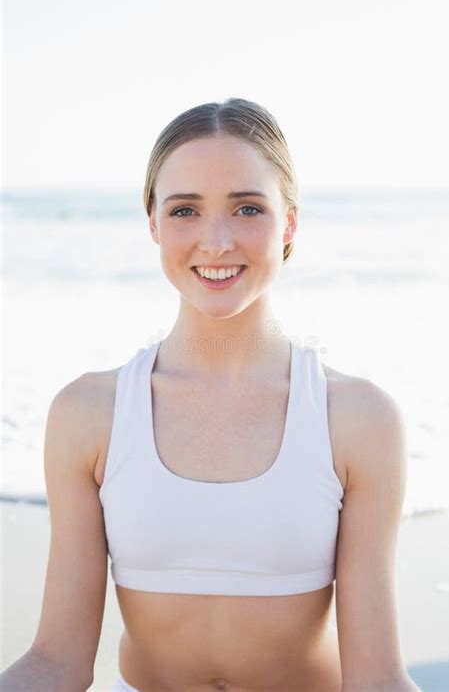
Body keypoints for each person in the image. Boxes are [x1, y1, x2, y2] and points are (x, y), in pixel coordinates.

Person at [0, 98, 421, 692]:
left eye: (248, 208)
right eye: (185, 210)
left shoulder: (356, 419)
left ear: (290, 223)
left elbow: (377, 679)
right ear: (153, 224)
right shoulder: (87, 415)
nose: (216, 241)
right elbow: (56, 663)